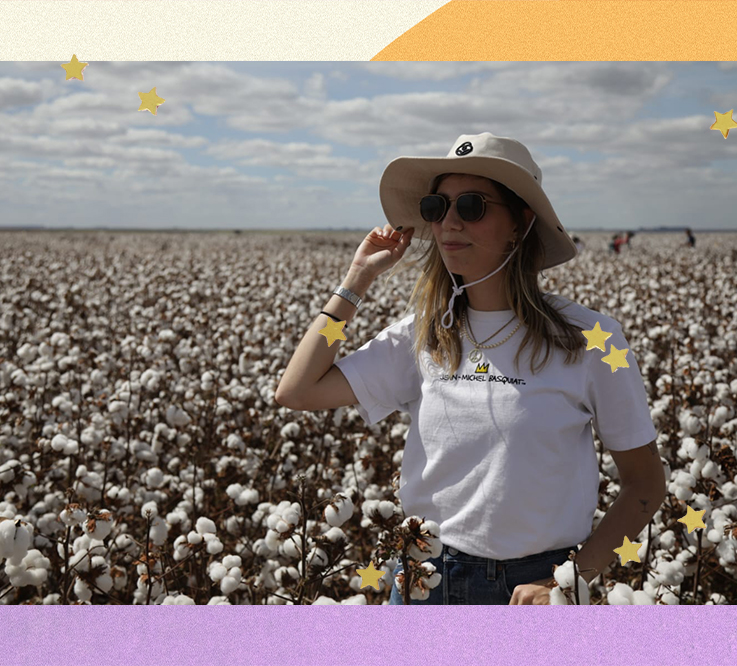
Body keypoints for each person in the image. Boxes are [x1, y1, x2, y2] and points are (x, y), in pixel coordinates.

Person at [274, 132, 664, 605]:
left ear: (520, 222)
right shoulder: (422, 335)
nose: (449, 222)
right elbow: (296, 390)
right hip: (420, 580)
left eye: (472, 206)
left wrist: (570, 582)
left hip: (533, 593)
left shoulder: (591, 340)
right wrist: (357, 280)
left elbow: (645, 488)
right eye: (437, 207)